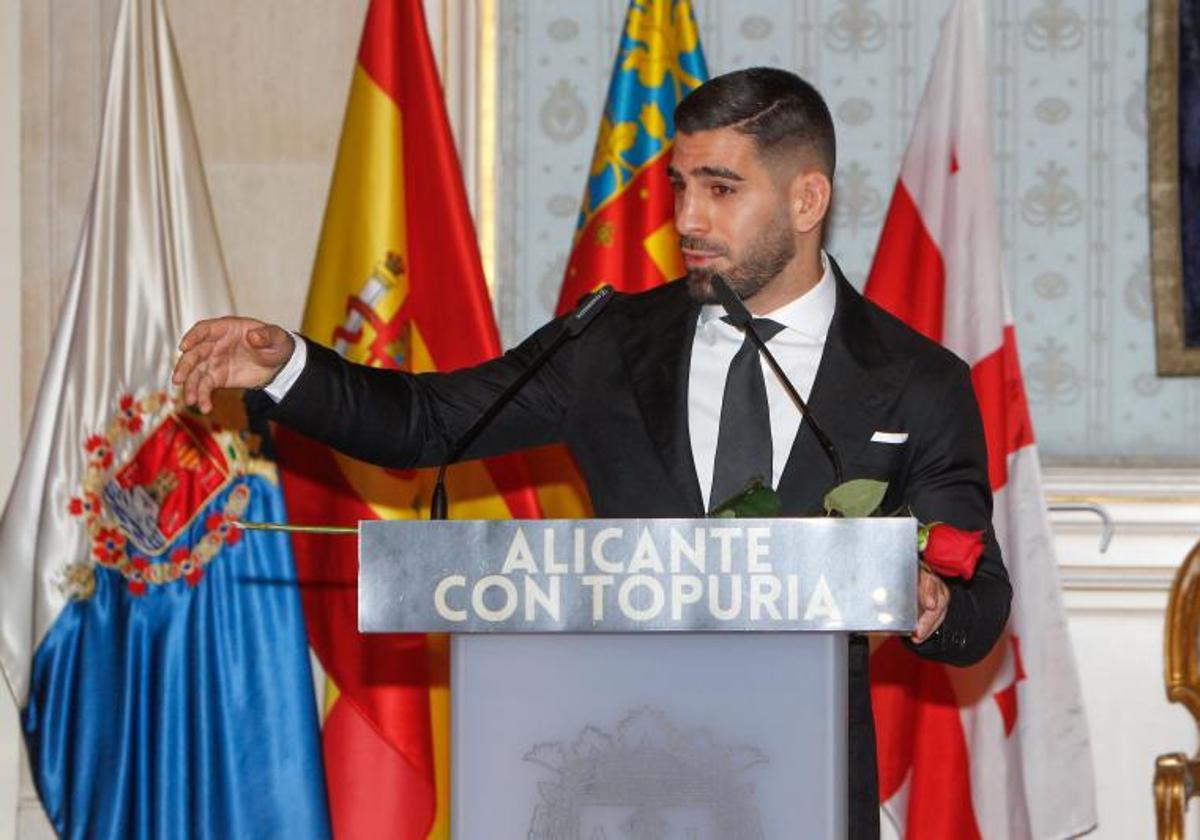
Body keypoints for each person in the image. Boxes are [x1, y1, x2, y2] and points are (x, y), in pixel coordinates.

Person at [173, 67, 1011, 839]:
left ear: (807, 198)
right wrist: (289, 366)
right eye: (681, 187)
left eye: (721, 190)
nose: (687, 219)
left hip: (805, 794)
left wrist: (931, 603)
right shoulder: (612, 342)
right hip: (609, 788)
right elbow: (426, 423)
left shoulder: (914, 382)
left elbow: (980, 607)